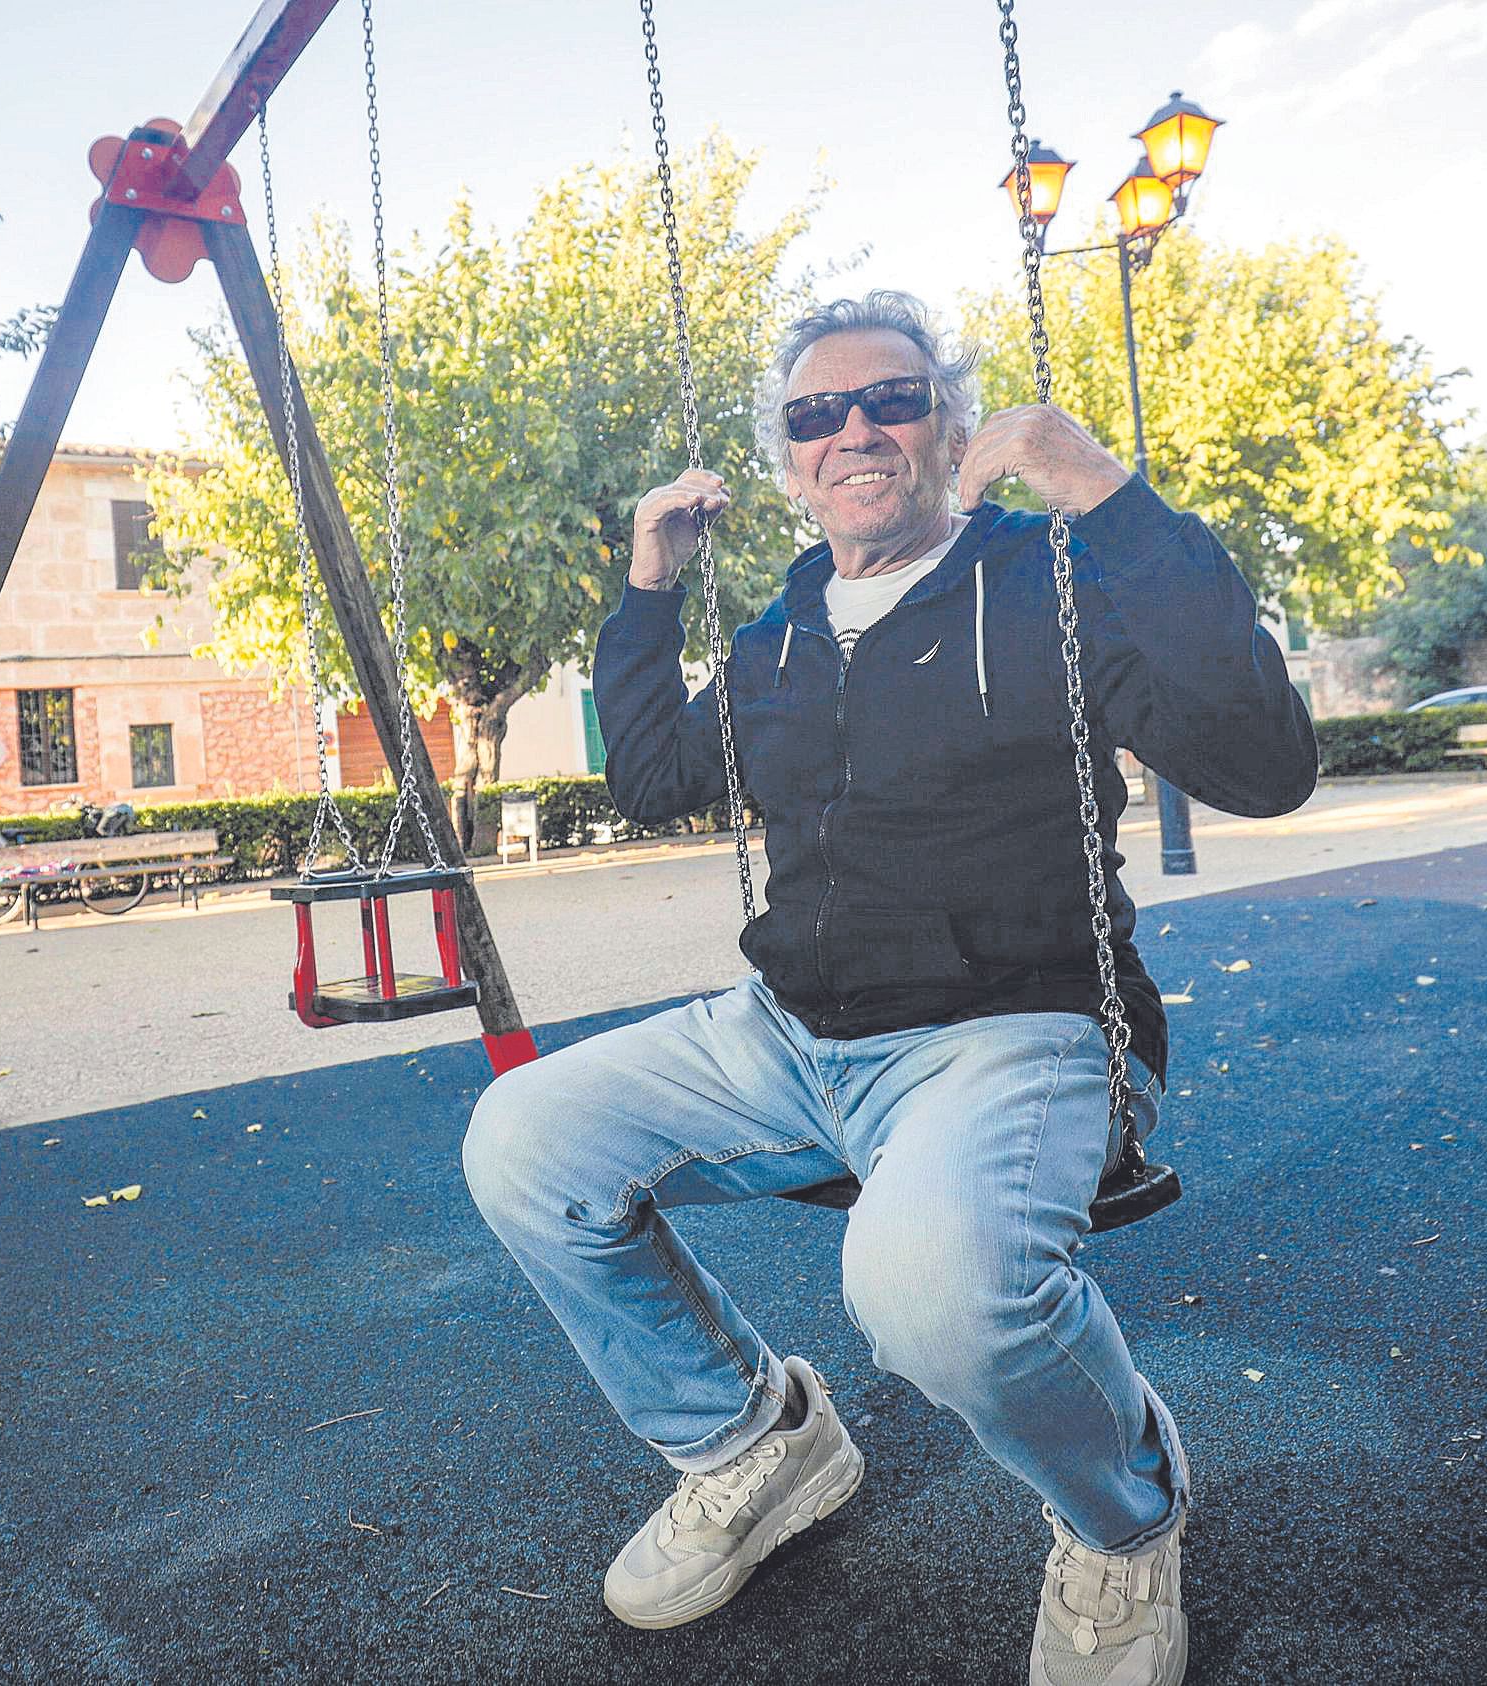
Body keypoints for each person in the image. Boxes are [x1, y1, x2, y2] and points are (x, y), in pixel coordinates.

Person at [463, 290, 1317, 1685]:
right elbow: (651, 778)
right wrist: (647, 589)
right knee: (521, 1137)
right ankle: (754, 1442)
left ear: (951, 427)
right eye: (817, 412)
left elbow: (1265, 763)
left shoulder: (1052, 580)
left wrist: (1106, 493)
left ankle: (1123, 1510)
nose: (854, 429)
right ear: (791, 456)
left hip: (1016, 1035)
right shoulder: (782, 632)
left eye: (892, 400)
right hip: (788, 1033)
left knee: (925, 1291)